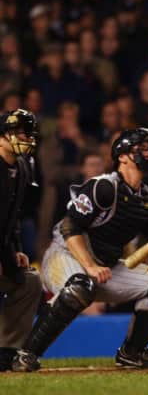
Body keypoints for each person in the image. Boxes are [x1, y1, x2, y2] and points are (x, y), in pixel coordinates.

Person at [12, 127, 148, 372]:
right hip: (65, 254)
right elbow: (70, 227)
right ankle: (27, 354)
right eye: (142, 148)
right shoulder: (104, 187)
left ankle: (132, 353)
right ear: (122, 156)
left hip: (105, 266)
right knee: (79, 288)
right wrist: (89, 266)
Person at [0, 109, 42, 371]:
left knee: (29, 282)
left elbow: (13, 215)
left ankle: (6, 350)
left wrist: (15, 249)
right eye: (17, 132)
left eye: (27, 132)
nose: (25, 137)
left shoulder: (23, 167)